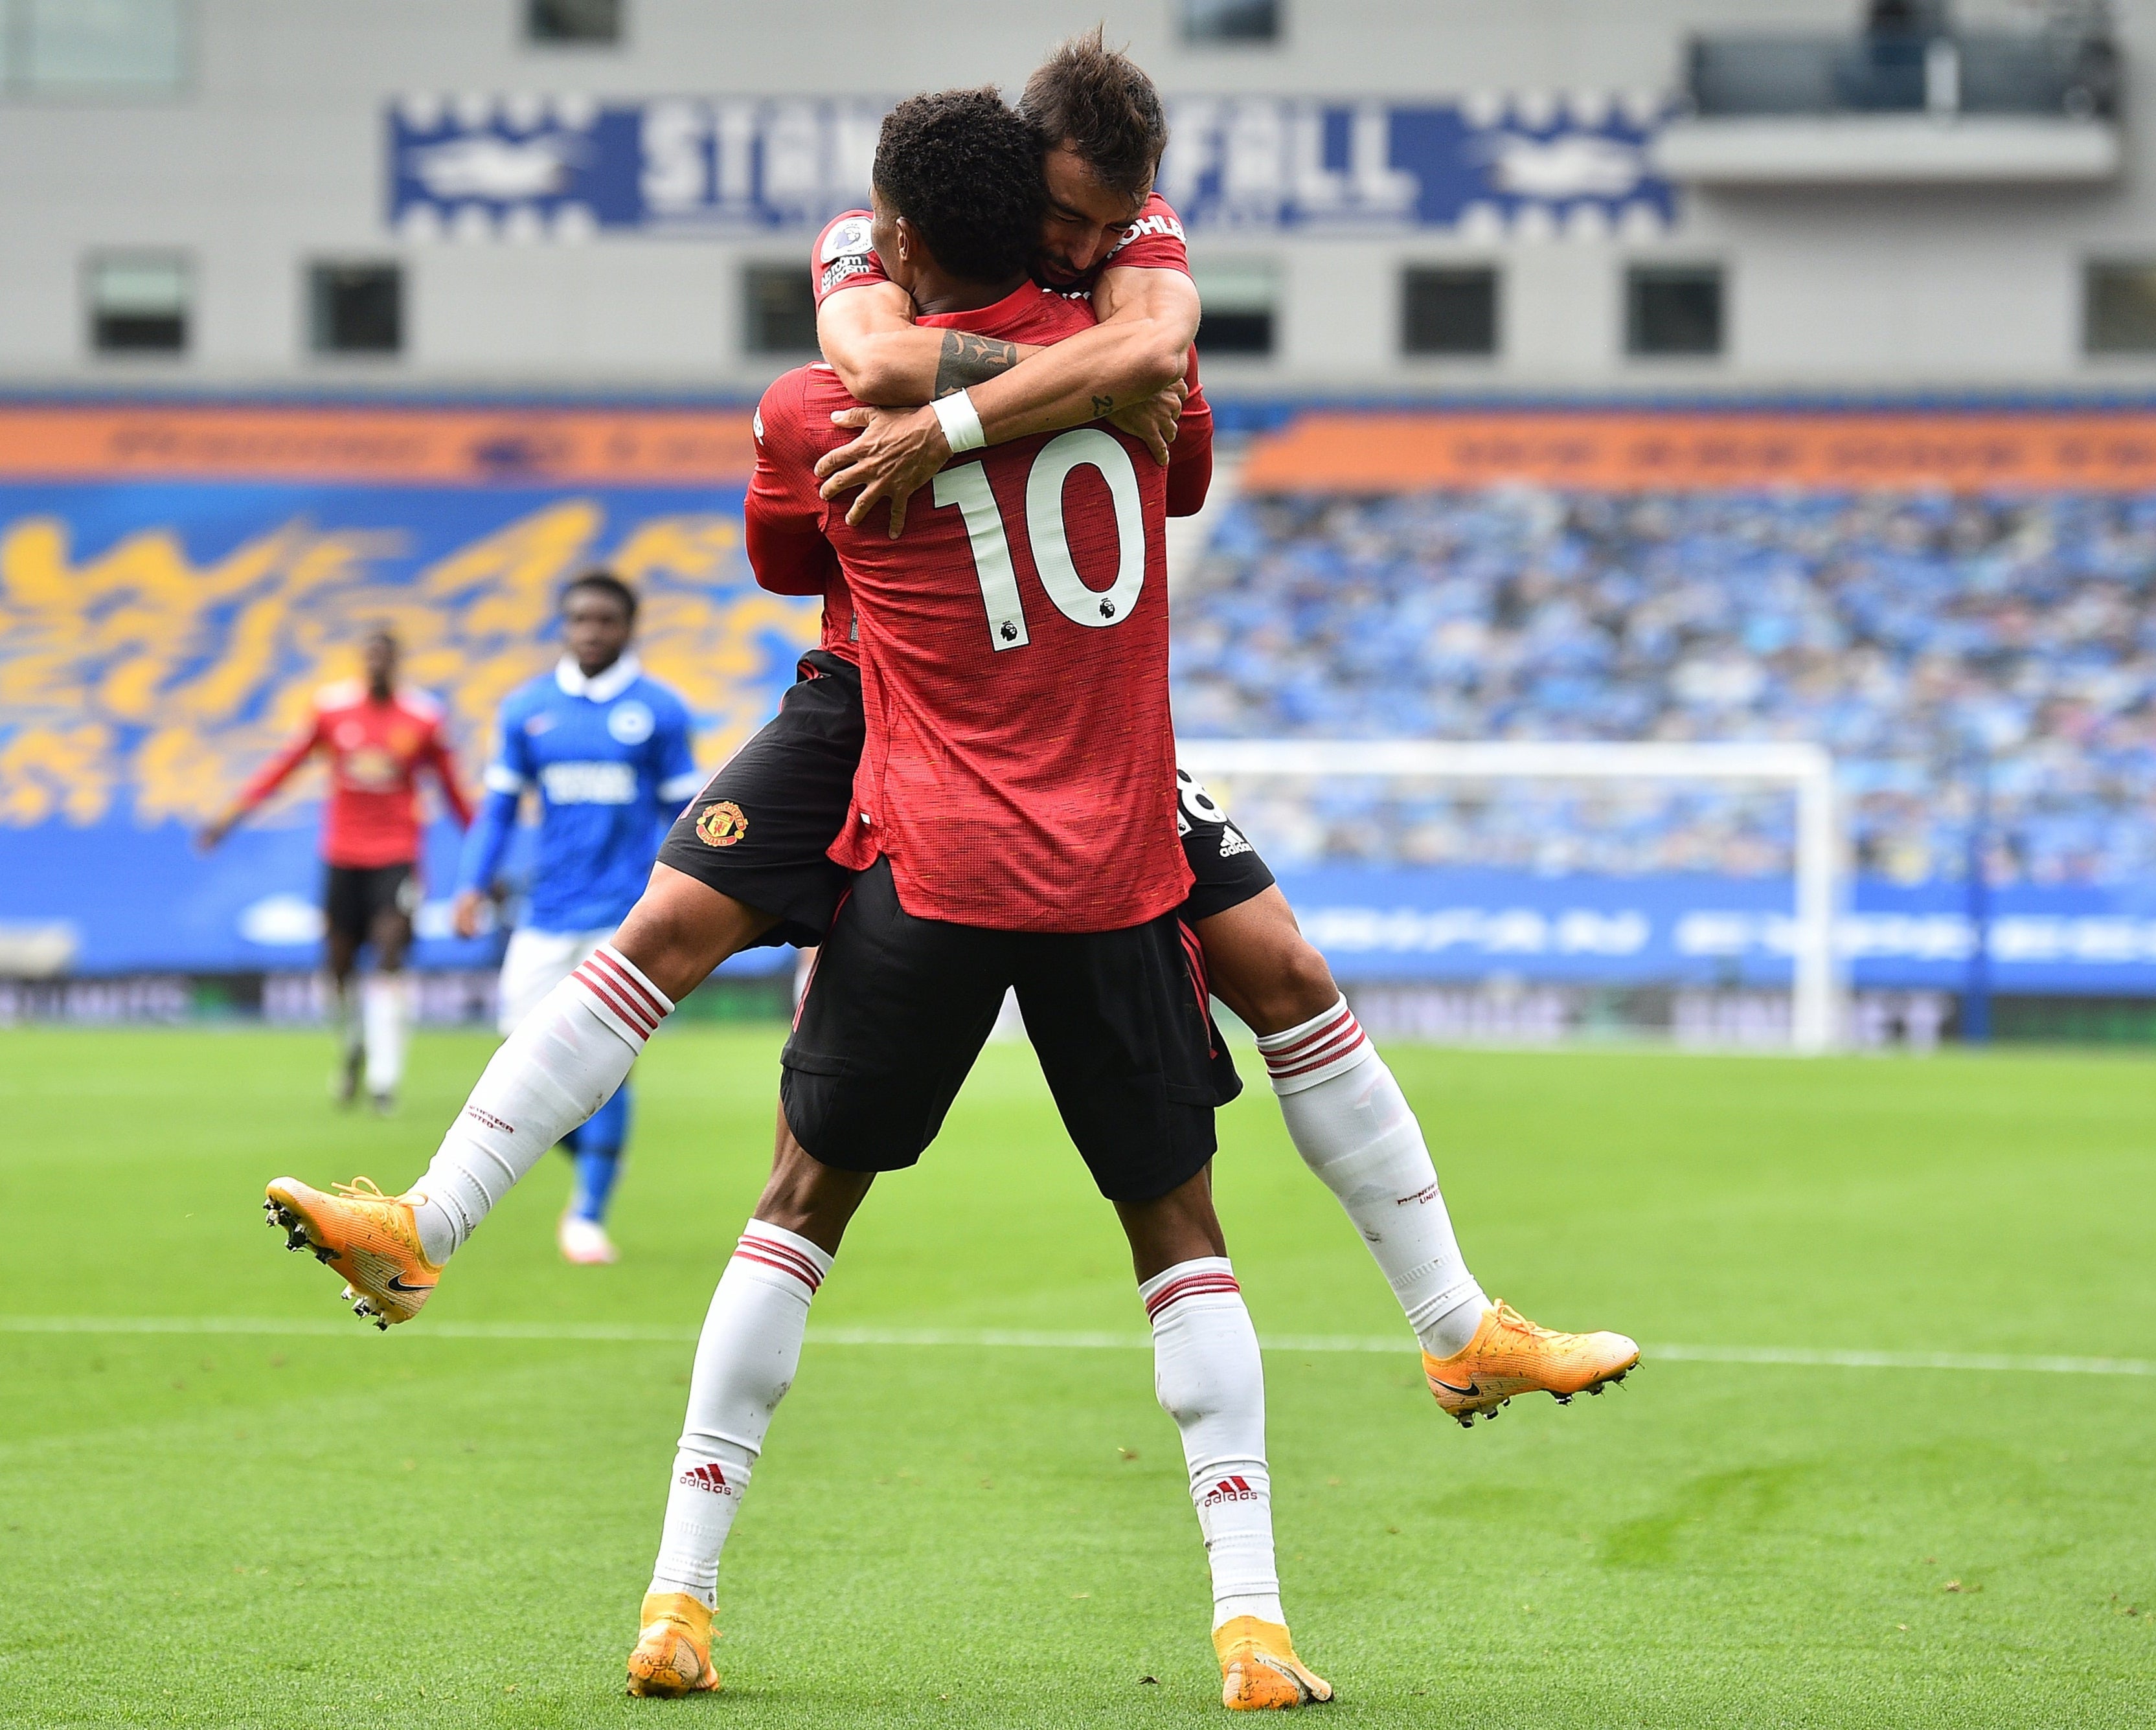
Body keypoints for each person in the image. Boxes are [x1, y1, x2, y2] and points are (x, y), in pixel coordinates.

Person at [263, 36, 1638, 1431]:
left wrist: (991, 402)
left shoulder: (1133, 245)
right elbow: (887, 362)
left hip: (1054, 715)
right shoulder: (870, 253)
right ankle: (430, 1217)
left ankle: (1459, 1325)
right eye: (1071, 220)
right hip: (872, 689)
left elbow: (1157, 352)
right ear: (1009, 178)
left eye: (1118, 221)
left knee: (1282, 964)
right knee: (667, 928)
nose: (1097, 241)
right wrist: (1058, 380)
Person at [271, 88, 1328, 1711]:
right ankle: (1265, 1594)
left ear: (900, 234)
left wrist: (934, 405)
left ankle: (662, 1565)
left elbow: (789, 542)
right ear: (1064, 206)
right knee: (1221, 1115)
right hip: (1089, 797)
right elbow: (1169, 407)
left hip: (908, 761)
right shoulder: (1138, 353)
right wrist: (1076, 369)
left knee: (764, 1127)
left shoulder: (829, 382)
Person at [451, 572, 702, 1264]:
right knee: (520, 1063)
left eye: (605, 619)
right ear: (563, 626)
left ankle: (588, 1211)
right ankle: (589, 1165)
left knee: (605, 1065)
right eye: (579, 619)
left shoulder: (659, 710)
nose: (591, 630)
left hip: (623, 920)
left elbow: (685, 814)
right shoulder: (528, 709)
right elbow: (499, 808)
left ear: (628, 626)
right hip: (544, 913)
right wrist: (471, 884)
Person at [199, 628, 470, 1114]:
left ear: (397, 662)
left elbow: (452, 790)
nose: (378, 665)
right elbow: (285, 767)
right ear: (362, 662)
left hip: (398, 855)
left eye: (386, 656)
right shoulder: (331, 710)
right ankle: (351, 1046)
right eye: (370, 656)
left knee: (390, 954)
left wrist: (481, 852)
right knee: (338, 966)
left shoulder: (424, 717)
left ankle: (386, 1080)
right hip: (343, 856)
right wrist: (229, 818)